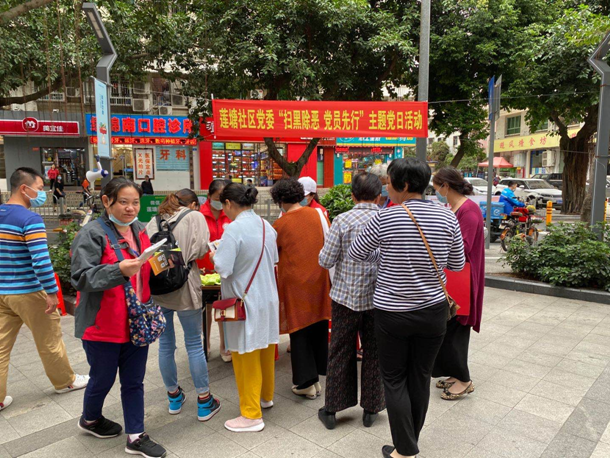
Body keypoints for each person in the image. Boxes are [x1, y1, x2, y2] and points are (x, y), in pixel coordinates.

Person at [349, 158, 465, 459]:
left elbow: (357, 253)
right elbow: (456, 264)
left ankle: (406, 449)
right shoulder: (447, 216)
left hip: (392, 314)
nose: (385, 188)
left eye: (388, 182)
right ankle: (408, 444)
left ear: (403, 185)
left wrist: (386, 255)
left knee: (394, 379)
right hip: (433, 312)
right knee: (420, 376)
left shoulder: (385, 218)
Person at [71, 177, 166, 458]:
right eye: (123, 202)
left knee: (134, 381)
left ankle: (136, 436)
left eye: (135, 202)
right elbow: (80, 277)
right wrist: (118, 270)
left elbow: (146, 268)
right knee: (102, 379)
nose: (130, 208)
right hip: (103, 326)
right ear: (106, 201)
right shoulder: (91, 234)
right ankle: (90, 419)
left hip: (137, 322)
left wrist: (167, 262)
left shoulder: (139, 229)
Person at [0, 168, 89, 412]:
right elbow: (40, 260)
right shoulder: (30, 220)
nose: (43, 194)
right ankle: (65, 381)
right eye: (39, 189)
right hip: (28, 291)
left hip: (2, 292)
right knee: (49, 339)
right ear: (24, 188)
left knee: (1, 346)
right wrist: (51, 292)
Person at [145, 189, 221, 422]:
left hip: (160, 290)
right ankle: (204, 401)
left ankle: (174, 397)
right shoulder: (194, 216)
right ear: (194, 204)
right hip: (185, 287)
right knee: (194, 344)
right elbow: (201, 250)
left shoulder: (154, 220)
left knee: (166, 345)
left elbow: (148, 254)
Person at [318, 172, 385, 430]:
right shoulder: (387, 220)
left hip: (345, 298)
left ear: (353, 196)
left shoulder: (342, 220)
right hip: (378, 299)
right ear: (379, 196)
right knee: (375, 351)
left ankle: (332, 410)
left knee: (339, 351)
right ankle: (371, 408)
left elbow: (326, 260)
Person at [211, 183, 279, 433]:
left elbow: (223, 267)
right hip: (267, 297)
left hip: (244, 300)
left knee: (244, 353)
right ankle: (265, 397)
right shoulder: (267, 226)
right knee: (264, 348)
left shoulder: (233, 229)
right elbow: (273, 260)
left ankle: (251, 414)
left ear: (228, 203)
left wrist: (214, 255)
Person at [271, 178, 331, 400]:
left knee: (299, 330)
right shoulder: (317, 214)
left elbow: (274, 254)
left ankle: (306, 382)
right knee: (318, 324)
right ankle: (316, 377)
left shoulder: (280, 224)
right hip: (319, 278)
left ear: (280, 200)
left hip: (295, 283)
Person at [431, 168, 485, 400]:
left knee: (456, 328)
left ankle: (464, 380)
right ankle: (454, 372)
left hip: (463, 279)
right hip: (452, 277)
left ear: (446, 186)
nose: (436, 191)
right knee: (448, 327)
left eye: (436, 187)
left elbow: (463, 247)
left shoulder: (468, 211)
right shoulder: (452, 207)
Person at [198, 179, 232, 362]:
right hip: (204, 268)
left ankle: (225, 345)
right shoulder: (199, 215)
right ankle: (207, 344)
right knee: (206, 309)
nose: (221, 201)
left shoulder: (230, 214)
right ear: (209, 196)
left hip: (225, 269)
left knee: (224, 307)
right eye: (218, 197)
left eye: (224, 198)